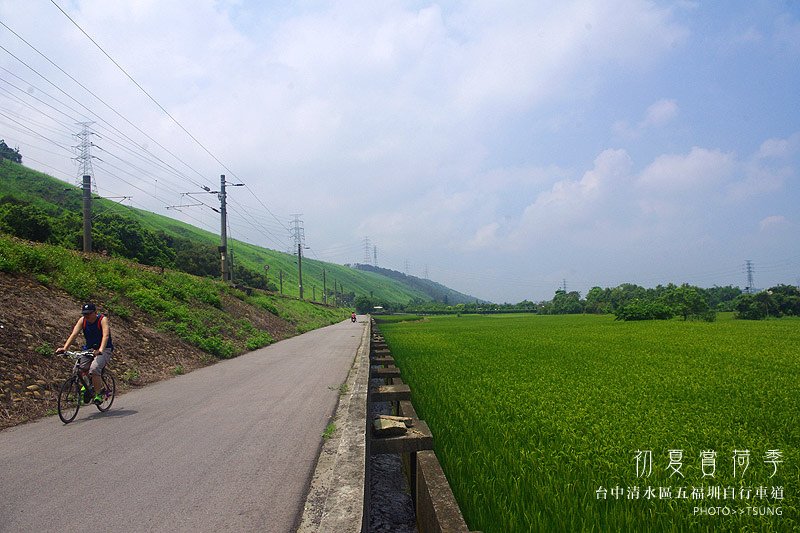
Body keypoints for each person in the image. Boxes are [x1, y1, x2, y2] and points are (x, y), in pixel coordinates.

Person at [55, 303, 113, 405]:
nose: (87, 316)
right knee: (78, 369)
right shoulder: (82, 320)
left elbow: (106, 335)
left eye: (89, 314)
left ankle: (98, 394)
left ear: (95, 312)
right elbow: (74, 334)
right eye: (85, 314)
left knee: (95, 368)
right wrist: (64, 348)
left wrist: (100, 350)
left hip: (104, 349)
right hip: (89, 349)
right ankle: (89, 385)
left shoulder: (102, 320)